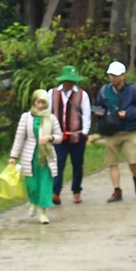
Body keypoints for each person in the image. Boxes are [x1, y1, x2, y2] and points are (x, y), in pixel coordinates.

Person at [93, 60, 136, 202]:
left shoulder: (133, 90)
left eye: (116, 75)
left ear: (123, 76)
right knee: (113, 163)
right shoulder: (104, 91)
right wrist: (99, 113)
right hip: (113, 131)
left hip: (130, 130)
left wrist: (128, 114)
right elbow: (98, 107)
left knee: (132, 161)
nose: (113, 78)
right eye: (111, 75)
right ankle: (117, 191)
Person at [7, 88, 62, 224]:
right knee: (32, 184)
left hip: (46, 156)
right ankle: (33, 202)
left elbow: (60, 137)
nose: (41, 105)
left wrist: (50, 137)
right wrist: (14, 156)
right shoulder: (26, 117)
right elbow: (19, 137)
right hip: (30, 155)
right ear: (34, 102)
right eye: (38, 102)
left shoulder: (51, 118)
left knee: (45, 184)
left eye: (43, 103)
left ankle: (43, 212)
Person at [48, 66, 90, 206]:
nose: (69, 84)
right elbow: (48, 113)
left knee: (77, 164)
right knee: (58, 164)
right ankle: (56, 192)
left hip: (76, 136)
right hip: (58, 136)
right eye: (67, 81)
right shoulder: (52, 93)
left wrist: (84, 132)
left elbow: (86, 114)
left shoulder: (82, 95)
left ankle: (76, 190)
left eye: (71, 81)